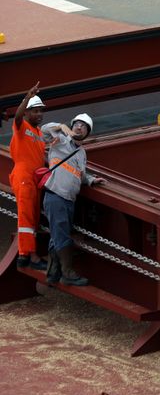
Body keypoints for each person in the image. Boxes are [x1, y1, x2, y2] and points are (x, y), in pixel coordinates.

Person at [42, 113, 105, 286]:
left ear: (87, 133)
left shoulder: (81, 152)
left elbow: (80, 174)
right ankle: (67, 273)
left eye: (83, 126)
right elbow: (44, 130)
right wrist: (62, 127)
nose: (79, 127)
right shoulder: (61, 140)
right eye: (76, 124)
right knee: (61, 234)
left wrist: (91, 180)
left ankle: (52, 273)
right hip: (55, 195)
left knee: (58, 233)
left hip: (69, 199)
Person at [10, 83, 48, 269]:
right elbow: (16, 117)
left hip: (35, 179)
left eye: (41, 111)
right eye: (35, 111)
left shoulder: (39, 134)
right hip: (23, 176)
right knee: (26, 218)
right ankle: (29, 255)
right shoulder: (21, 126)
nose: (39, 114)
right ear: (26, 113)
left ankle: (25, 255)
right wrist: (27, 97)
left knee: (32, 218)